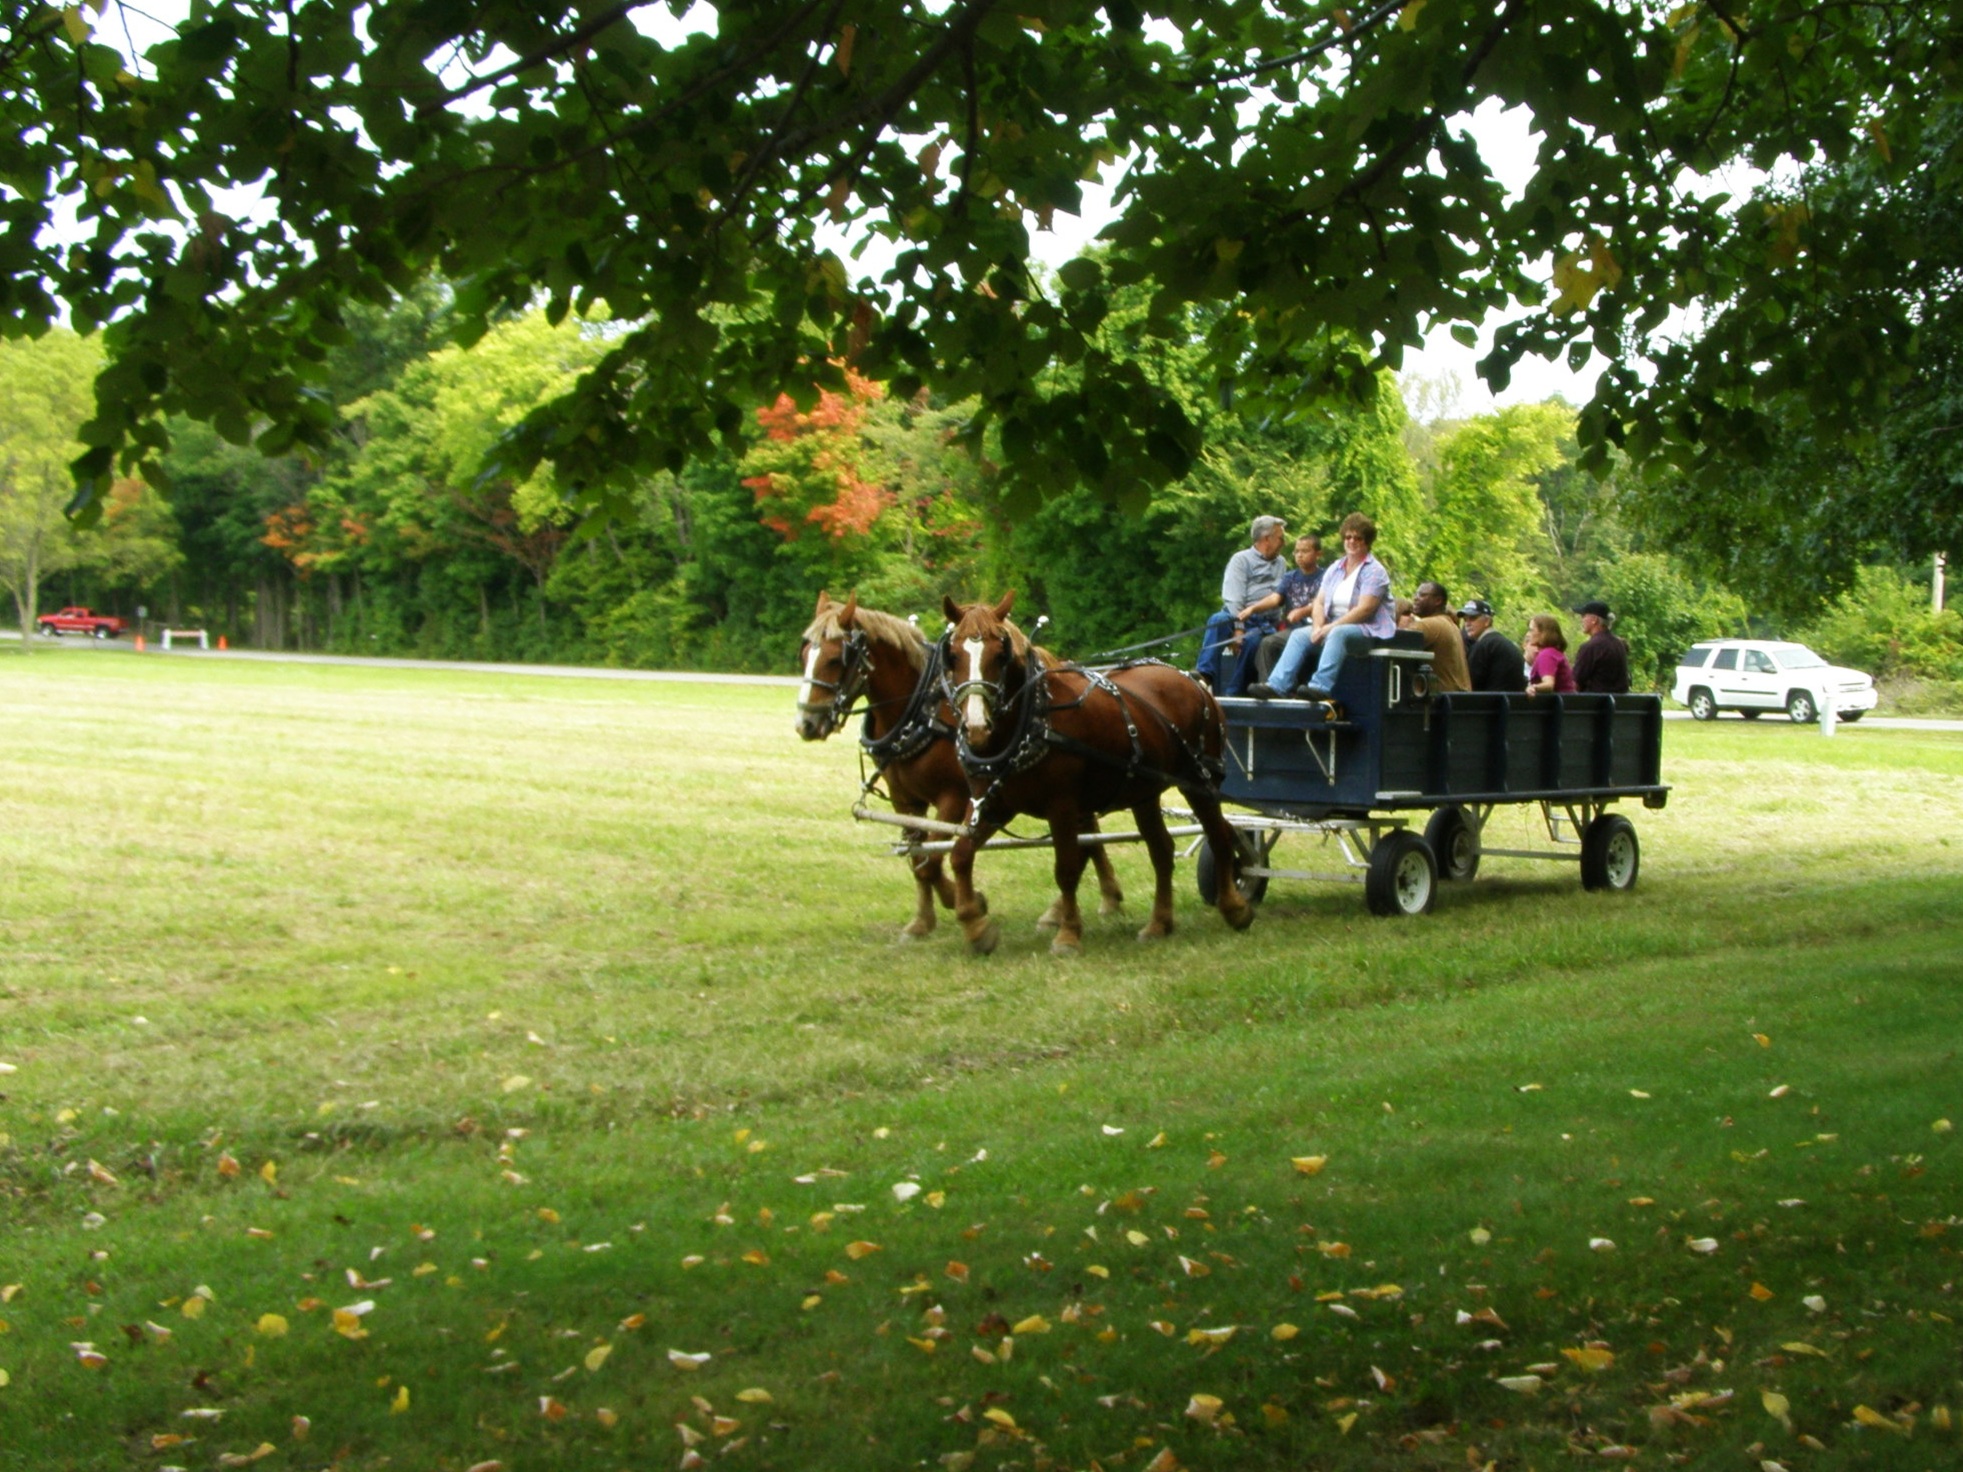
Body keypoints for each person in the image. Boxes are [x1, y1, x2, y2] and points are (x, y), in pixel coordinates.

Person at [1249, 512, 1394, 701]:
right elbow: (1319, 601)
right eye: (1348, 537)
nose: (1351, 541)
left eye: (1358, 538)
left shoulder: (1374, 571)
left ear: (1367, 542)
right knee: (1300, 635)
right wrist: (1317, 627)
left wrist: (1330, 627)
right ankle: (1277, 685)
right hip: (1331, 626)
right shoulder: (1336, 567)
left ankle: (1320, 686)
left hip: (1367, 630)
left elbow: (1365, 610)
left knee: (1338, 633)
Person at [1194, 514, 1289, 696]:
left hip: (1266, 622)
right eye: (1281, 538)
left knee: (1253, 643)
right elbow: (1234, 599)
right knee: (1218, 620)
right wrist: (1238, 629)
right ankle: (1204, 675)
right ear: (1266, 539)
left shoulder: (1281, 563)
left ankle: (1234, 692)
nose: (1284, 542)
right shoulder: (1241, 560)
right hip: (1238, 614)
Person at [1252, 533, 1325, 683]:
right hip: (1292, 630)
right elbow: (1275, 598)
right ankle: (1267, 687)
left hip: (1316, 629)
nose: (1299, 555)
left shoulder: (1326, 576)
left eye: (1305, 551)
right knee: (1268, 643)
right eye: (1297, 551)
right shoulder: (1290, 577)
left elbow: (1324, 602)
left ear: (1318, 554)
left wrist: (1303, 611)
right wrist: (1252, 609)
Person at [1408, 581, 1471, 692]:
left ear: (1438, 600)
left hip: (1440, 703)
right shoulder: (1450, 625)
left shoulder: (1428, 625)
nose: (1415, 598)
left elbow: (1395, 644)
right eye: (1416, 594)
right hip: (1457, 699)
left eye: (1422, 595)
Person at [1459, 598, 1528, 692]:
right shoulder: (1506, 644)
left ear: (1487, 621)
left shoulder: (1483, 646)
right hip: (1511, 703)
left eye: (1473, 618)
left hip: (1491, 703)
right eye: (1465, 619)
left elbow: (1470, 684)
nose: (1467, 623)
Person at [1571, 599, 1632, 693]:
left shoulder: (1591, 647)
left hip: (1594, 705)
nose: (1581, 620)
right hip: (1618, 705)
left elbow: (1575, 683)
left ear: (1594, 620)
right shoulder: (1619, 644)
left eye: (1583, 616)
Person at [1524, 612, 1578, 697]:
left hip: (1560, 707)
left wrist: (1532, 687)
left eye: (1531, 630)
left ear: (1543, 633)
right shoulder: (1555, 653)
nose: (1528, 634)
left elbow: (1548, 684)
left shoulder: (1546, 655)